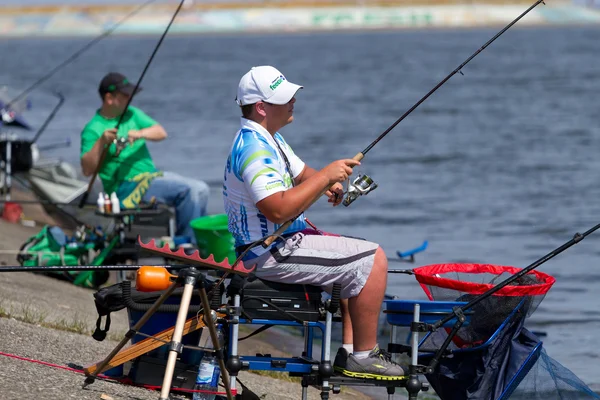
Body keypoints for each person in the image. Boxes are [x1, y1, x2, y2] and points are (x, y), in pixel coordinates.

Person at [223, 65, 406, 379]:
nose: (293, 100)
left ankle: (348, 352)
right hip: (269, 251)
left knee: (356, 254)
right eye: (284, 97)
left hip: (278, 244)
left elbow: (301, 173)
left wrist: (327, 184)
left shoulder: (270, 140)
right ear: (262, 107)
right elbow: (277, 210)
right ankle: (365, 355)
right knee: (374, 260)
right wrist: (326, 175)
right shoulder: (255, 151)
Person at [80, 72, 209, 242]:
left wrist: (140, 133)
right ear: (109, 98)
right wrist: (101, 142)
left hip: (151, 176)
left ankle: (200, 242)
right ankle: (185, 245)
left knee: (202, 189)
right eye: (125, 95)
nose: (130, 99)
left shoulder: (132, 114)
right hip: (126, 187)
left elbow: (161, 133)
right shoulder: (93, 128)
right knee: (188, 190)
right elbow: (87, 170)